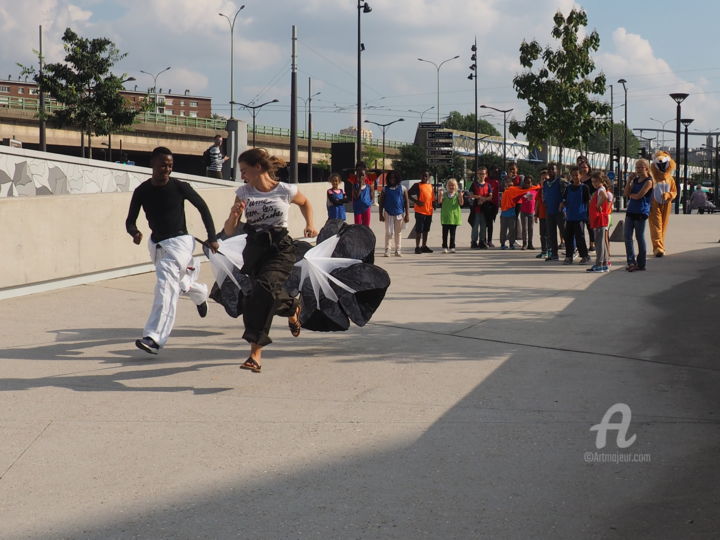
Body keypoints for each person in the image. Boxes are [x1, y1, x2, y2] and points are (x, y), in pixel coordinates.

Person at [225, 148, 317, 373]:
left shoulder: (285, 190)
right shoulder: (243, 192)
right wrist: (234, 216)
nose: (242, 175)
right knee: (263, 293)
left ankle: (255, 354)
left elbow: (305, 202)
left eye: (244, 170)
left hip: (280, 248)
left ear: (258, 167)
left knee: (263, 290)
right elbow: (228, 230)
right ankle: (292, 306)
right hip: (255, 249)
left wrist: (310, 224)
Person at [125, 146, 219, 355]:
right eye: (163, 165)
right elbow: (130, 221)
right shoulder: (142, 191)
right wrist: (135, 233)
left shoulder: (180, 186)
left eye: (170, 165)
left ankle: (155, 337)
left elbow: (203, 208)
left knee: (165, 286)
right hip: (157, 245)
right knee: (179, 284)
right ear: (152, 164)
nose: (167, 169)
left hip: (180, 243)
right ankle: (200, 294)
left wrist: (212, 237)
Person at [623, 159, 654, 272]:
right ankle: (631, 261)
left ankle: (641, 263)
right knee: (627, 237)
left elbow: (639, 196)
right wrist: (629, 180)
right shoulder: (635, 180)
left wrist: (630, 195)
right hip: (631, 211)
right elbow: (625, 193)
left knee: (639, 237)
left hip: (641, 212)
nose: (639, 170)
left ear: (646, 168)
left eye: (641, 167)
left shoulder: (649, 181)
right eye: (637, 167)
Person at [559, 166, 591, 264]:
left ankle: (585, 256)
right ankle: (569, 256)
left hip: (580, 217)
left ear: (580, 175)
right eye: (573, 175)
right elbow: (564, 200)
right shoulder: (568, 188)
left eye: (576, 175)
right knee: (568, 237)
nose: (575, 177)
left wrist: (589, 215)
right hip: (570, 217)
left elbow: (588, 202)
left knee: (580, 237)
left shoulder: (584, 188)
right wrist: (562, 205)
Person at [378, 170, 409, 256]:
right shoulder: (385, 189)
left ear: (397, 178)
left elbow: (406, 202)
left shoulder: (403, 188)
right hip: (388, 213)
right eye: (391, 177)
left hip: (399, 213)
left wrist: (407, 215)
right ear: (388, 179)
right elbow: (381, 202)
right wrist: (380, 214)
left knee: (398, 232)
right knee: (389, 232)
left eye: (394, 177)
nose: (392, 179)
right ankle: (387, 249)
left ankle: (398, 249)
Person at [586, 171, 611, 273]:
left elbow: (605, 197)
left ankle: (599, 264)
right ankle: (604, 263)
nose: (594, 183)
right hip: (599, 219)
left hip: (599, 219)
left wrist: (597, 205)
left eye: (596, 181)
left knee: (599, 243)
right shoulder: (600, 189)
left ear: (602, 181)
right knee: (602, 243)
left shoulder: (601, 190)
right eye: (593, 182)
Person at [542, 163, 566, 261]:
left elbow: (567, 194)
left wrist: (563, 203)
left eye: (553, 169)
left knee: (564, 232)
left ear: (557, 171)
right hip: (549, 211)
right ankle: (554, 254)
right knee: (551, 234)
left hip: (559, 212)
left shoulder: (561, 182)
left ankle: (570, 252)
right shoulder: (545, 183)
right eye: (549, 169)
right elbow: (544, 193)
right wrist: (545, 201)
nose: (551, 171)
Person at [408, 171, 435, 254]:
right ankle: (417, 247)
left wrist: (434, 205)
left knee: (426, 230)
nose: (424, 178)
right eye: (423, 176)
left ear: (429, 177)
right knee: (419, 230)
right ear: (420, 176)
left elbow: (432, 198)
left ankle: (424, 246)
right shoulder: (417, 185)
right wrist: (416, 201)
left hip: (429, 211)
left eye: (426, 176)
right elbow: (408, 194)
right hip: (420, 211)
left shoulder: (430, 186)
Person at [468, 166, 493, 249]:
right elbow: (470, 195)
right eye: (480, 174)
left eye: (483, 174)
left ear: (486, 175)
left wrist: (484, 199)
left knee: (483, 225)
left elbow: (490, 196)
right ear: (477, 175)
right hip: (476, 209)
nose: (482, 175)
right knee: (475, 226)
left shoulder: (488, 185)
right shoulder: (474, 184)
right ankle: (474, 242)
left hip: (485, 209)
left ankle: (482, 241)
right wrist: (478, 197)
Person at [439, 178, 464, 253]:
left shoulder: (457, 194)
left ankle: (452, 246)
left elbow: (461, 203)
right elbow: (439, 202)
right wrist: (440, 195)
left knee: (453, 233)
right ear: (447, 186)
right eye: (450, 185)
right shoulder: (444, 194)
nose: (451, 187)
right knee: (445, 233)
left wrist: (461, 196)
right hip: (446, 217)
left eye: (453, 185)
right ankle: (444, 247)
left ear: (456, 186)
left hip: (454, 217)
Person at [579, 159, 596, 251]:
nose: (584, 169)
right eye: (582, 167)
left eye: (585, 167)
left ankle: (592, 244)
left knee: (590, 226)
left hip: (590, 204)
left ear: (589, 168)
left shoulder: (592, 179)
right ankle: (582, 245)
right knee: (580, 227)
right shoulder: (578, 178)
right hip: (580, 205)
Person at [350, 161, 374, 226]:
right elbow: (356, 197)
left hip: (366, 207)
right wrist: (360, 185)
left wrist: (369, 203)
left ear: (365, 173)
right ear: (356, 173)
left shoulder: (369, 182)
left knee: (366, 226)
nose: (361, 176)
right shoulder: (354, 183)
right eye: (359, 173)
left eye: (362, 174)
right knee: (357, 226)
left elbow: (372, 194)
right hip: (357, 208)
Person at [534, 169, 549, 258]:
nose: (544, 181)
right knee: (542, 234)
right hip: (542, 215)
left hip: (550, 215)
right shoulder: (540, 191)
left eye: (546, 179)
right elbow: (537, 203)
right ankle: (544, 251)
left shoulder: (551, 190)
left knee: (549, 234)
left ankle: (550, 251)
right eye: (542, 179)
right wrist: (536, 214)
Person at [519, 175, 537, 250]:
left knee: (531, 228)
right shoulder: (521, 190)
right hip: (523, 212)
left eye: (529, 182)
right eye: (526, 182)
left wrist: (536, 212)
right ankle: (524, 243)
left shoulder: (535, 190)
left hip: (531, 212)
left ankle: (530, 243)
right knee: (524, 228)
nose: (527, 184)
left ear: (531, 183)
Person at [485, 166, 501, 247]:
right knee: (484, 223)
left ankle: (489, 241)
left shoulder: (496, 182)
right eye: (494, 171)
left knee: (490, 224)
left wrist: (497, 206)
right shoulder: (485, 180)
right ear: (489, 172)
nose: (495, 173)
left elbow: (497, 196)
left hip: (493, 205)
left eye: (496, 172)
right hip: (485, 203)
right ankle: (483, 240)